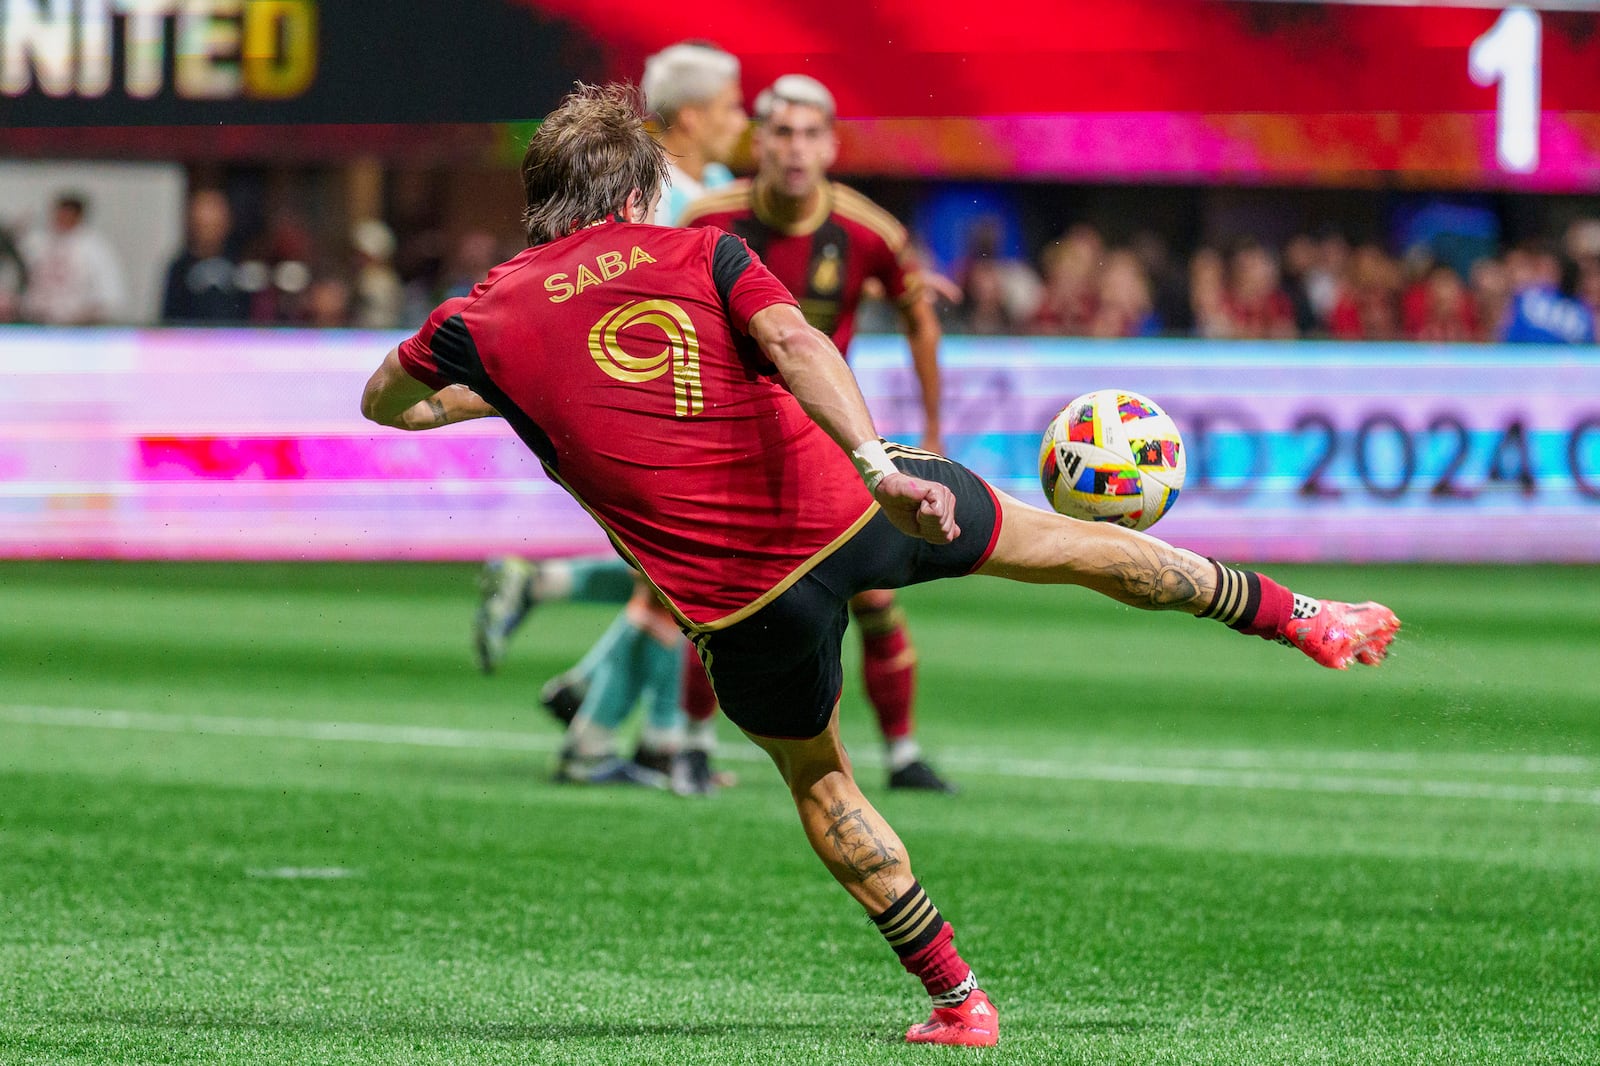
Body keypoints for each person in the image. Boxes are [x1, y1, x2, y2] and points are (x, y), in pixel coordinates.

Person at [361, 83, 1400, 1047]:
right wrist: (877, 465)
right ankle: (1299, 614)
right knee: (1071, 546)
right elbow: (802, 345)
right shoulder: (699, 251)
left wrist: (493, 387)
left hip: (742, 608)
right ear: (637, 190)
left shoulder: (480, 319)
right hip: (852, 501)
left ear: (540, 201)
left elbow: (387, 404)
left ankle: (960, 998)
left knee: (819, 780)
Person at [672, 73, 953, 793]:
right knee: (720, 595)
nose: (794, 149)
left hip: (829, 439)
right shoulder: (707, 218)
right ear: (756, 141)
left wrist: (929, 428)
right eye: (780, 132)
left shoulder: (870, 232)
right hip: (728, 437)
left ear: (831, 145)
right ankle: (692, 744)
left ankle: (903, 753)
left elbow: (918, 315)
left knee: (876, 591)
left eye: (809, 134)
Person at [19, 192, 127, 325]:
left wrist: (84, 317)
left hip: (77, 329)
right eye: (59, 214)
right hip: (34, 324)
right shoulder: (36, 242)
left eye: (68, 214)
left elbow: (110, 295)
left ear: (79, 216)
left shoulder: (94, 247)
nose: (62, 219)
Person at [161, 189, 249, 325]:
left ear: (226, 223)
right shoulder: (180, 268)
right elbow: (169, 317)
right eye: (203, 225)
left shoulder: (240, 264)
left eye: (214, 225)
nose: (208, 233)